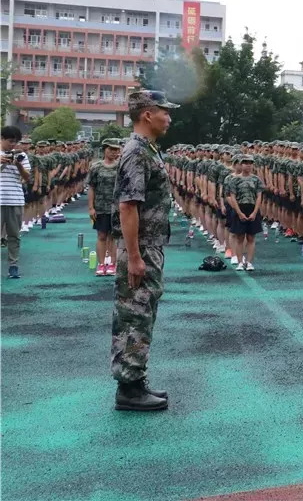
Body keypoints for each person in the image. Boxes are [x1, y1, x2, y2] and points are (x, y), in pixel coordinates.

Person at [111, 90, 179, 412]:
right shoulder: (136, 151)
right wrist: (135, 256)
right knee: (134, 315)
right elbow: (128, 206)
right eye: (165, 112)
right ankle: (129, 388)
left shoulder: (147, 149)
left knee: (142, 313)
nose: (169, 118)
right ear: (148, 114)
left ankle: (135, 379)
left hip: (149, 246)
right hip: (141, 248)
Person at [1, 125, 33, 279]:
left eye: (15, 142)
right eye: (10, 141)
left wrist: (18, 164)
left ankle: (13, 265)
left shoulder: (21, 156)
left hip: (15, 200)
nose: (13, 145)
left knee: (14, 235)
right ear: (1, 139)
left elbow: (27, 178)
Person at [88, 138, 123, 276]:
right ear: (104, 150)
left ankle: (113, 264)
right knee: (101, 235)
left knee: (113, 236)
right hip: (101, 206)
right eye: (110, 149)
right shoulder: (96, 167)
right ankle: (101, 264)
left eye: (116, 150)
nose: (113, 152)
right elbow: (91, 187)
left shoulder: (120, 166)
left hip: (116, 206)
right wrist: (91, 207)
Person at [227, 154, 264, 271]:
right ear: (240, 164)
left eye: (250, 163)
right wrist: (239, 212)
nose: (248, 165)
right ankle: (239, 262)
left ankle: (249, 262)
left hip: (252, 208)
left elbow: (259, 197)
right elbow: (232, 197)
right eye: (245, 163)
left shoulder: (256, 179)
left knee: (251, 237)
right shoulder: (234, 179)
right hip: (239, 208)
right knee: (239, 238)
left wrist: (254, 212)